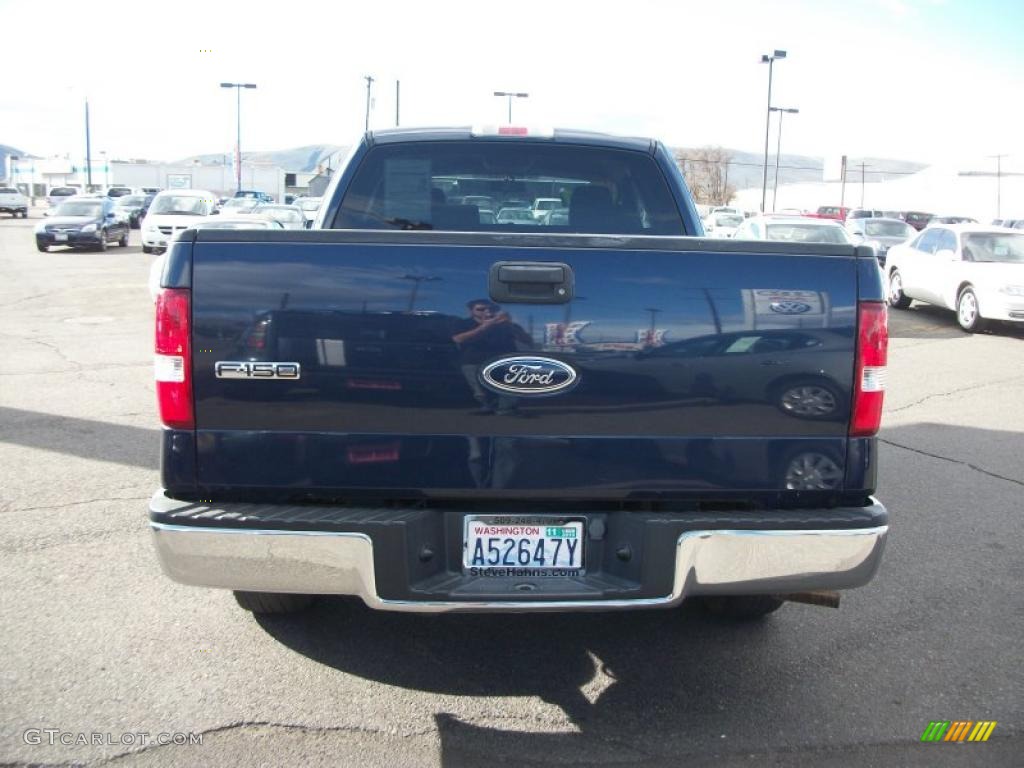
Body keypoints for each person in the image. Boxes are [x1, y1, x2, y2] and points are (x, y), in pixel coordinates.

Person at [451, 299, 532, 414]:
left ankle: (505, 408)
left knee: (512, 385)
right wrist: (484, 327)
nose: (487, 312)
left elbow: (527, 340)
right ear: (471, 311)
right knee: (481, 392)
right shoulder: (464, 323)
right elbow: (458, 339)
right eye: (481, 309)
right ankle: (488, 405)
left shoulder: (505, 325)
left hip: (501, 361)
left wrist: (510, 325)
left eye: (491, 309)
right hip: (473, 361)